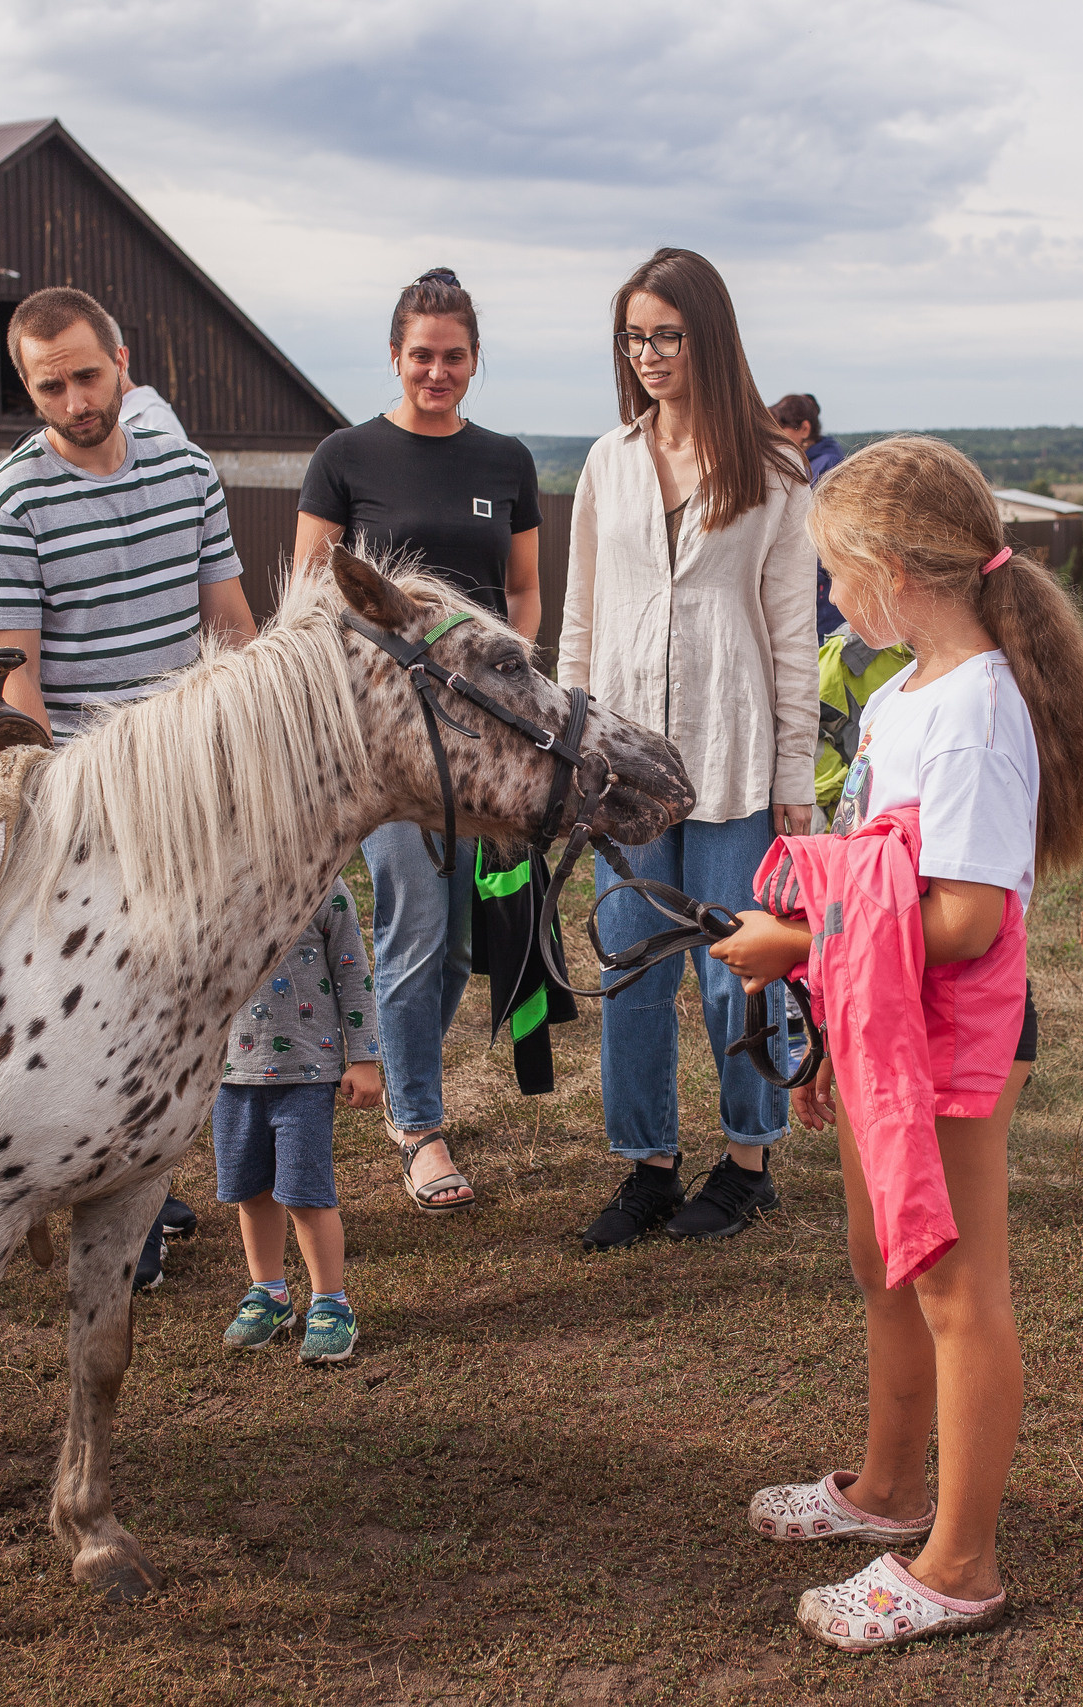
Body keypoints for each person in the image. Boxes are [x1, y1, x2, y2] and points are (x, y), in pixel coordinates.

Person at [708, 436, 1083, 1652]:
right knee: (881, 1256)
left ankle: (959, 1562)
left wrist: (797, 942)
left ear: (896, 571)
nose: (831, 597)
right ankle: (887, 1491)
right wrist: (825, 981)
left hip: (944, 1041)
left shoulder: (975, 716)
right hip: (879, 1026)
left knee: (956, 1291)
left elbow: (964, 917)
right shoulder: (903, 696)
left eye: (838, 574)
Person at [0, 285, 257, 1271]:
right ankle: (107, 1189)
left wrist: (252, 746)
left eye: (88, 375)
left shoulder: (186, 471)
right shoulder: (6, 505)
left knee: (194, 995)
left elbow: (228, 622)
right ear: (27, 388)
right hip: (93, 787)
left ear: (122, 360)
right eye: (50, 386)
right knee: (110, 1000)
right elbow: (16, 684)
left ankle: (152, 1179)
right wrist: (74, 814)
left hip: (199, 775)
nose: (76, 399)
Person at [557, 248, 819, 1251]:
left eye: (667, 334)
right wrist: (573, 751)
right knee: (628, 966)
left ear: (707, 337)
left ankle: (747, 1162)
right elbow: (579, 617)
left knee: (734, 968)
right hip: (620, 763)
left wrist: (793, 779)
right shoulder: (606, 461)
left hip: (731, 754)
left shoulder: (775, 470)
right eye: (635, 337)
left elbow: (793, 637)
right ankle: (647, 1167)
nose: (650, 354)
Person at [293, 267, 542, 1214]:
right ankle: (422, 1128)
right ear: (394, 356)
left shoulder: (506, 460)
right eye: (421, 355)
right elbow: (313, 596)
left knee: (458, 942)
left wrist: (524, 680)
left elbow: (521, 592)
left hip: (483, 738)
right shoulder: (345, 455)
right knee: (416, 922)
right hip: (390, 740)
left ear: (474, 360)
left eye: (454, 356)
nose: (437, 371)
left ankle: (406, 1087)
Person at [209, 883, 385, 1362]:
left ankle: (330, 1302)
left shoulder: (321, 884)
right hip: (228, 1076)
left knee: (306, 1193)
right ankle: (268, 1292)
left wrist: (365, 1057)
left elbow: (355, 974)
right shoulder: (207, 882)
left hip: (306, 1075)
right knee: (250, 1191)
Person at [771, 394, 848, 638]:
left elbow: (827, 530)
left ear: (804, 428)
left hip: (823, 587)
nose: (775, 437)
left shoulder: (827, 465)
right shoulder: (804, 463)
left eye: (781, 429)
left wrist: (804, 576)